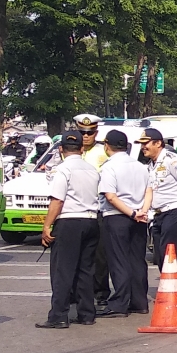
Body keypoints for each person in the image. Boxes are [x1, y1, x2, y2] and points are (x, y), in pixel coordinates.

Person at [36, 131, 101, 329]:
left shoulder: (62, 170)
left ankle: (58, 315)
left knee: (62, 270)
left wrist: (47, 225)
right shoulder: (92, 170)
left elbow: (57, 200)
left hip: (69, 221)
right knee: (85, 270)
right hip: (91, 220)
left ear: (61, 149)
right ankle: (86, 313)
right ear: (82, 148)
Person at [97, 130, 153, 318]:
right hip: (139, 217)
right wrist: (141, 212)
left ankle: (119, 303)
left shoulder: (109, 167)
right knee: (137, 260)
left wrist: (131, 213)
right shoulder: (140, 166)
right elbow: (148, 191)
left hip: (117, 216)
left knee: (119, 260)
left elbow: (110, 197)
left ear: (107, 146)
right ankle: (139, 301)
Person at [138, 128, 177, 299]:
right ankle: (170, 287)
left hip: (175, 212)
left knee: (170, 253)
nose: (143, 147)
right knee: (159, 253)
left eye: (146, 143)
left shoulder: (173, 161)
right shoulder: (151, 165)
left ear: (158, 143)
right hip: (158, 215)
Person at [75, 114, 113, 314]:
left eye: (89, 133)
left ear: (96, 133)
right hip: (74, 210)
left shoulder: (102, 153)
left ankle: (100, 293)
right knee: (75, 256)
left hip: (97, 209)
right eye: (82, 132)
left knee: (100, 256)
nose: (86, 136)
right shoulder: (69, 150)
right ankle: (77, 293)